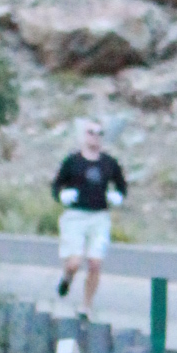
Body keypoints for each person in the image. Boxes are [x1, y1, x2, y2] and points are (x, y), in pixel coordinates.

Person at [52, 116, 126, 314]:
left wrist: (118, 196)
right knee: (74, 262)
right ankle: (67, 277)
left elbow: (121, 185)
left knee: (95, 263)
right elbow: (57, 185)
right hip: (76, 216)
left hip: (99, 216)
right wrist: (62, 195)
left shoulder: (109, 163)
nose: (95, 137)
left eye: (99, 133)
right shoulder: (72, 161)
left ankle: (86, 305)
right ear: (84, 135)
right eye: (91, 133)